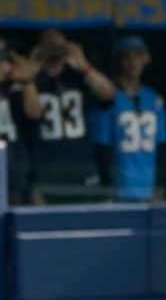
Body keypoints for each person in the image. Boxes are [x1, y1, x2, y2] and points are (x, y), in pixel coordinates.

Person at [20, 29, 116, 203]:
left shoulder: (77, 75)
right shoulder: (35, 80)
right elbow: (32, 113)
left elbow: (108, 95)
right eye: (48, 43)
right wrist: (30, 75)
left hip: (82, 164)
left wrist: (84, 66)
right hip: (47, 167)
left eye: (58, 43)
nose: (53, 47)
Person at [94, 36, 166, 202]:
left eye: (138, 56)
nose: (133, 62)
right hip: (119, 187)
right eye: (127, 57)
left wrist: (162, 186)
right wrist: (106, 189)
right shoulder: (109, 98)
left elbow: (161, 147)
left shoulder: (153, 99)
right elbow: (102, 148)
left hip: (148, 187)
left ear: (146, 59)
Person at [0, 42, 35, 206]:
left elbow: (35, 112)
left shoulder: (15, 87)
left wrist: (27, 81)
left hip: (13, 164)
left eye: (4, 56)